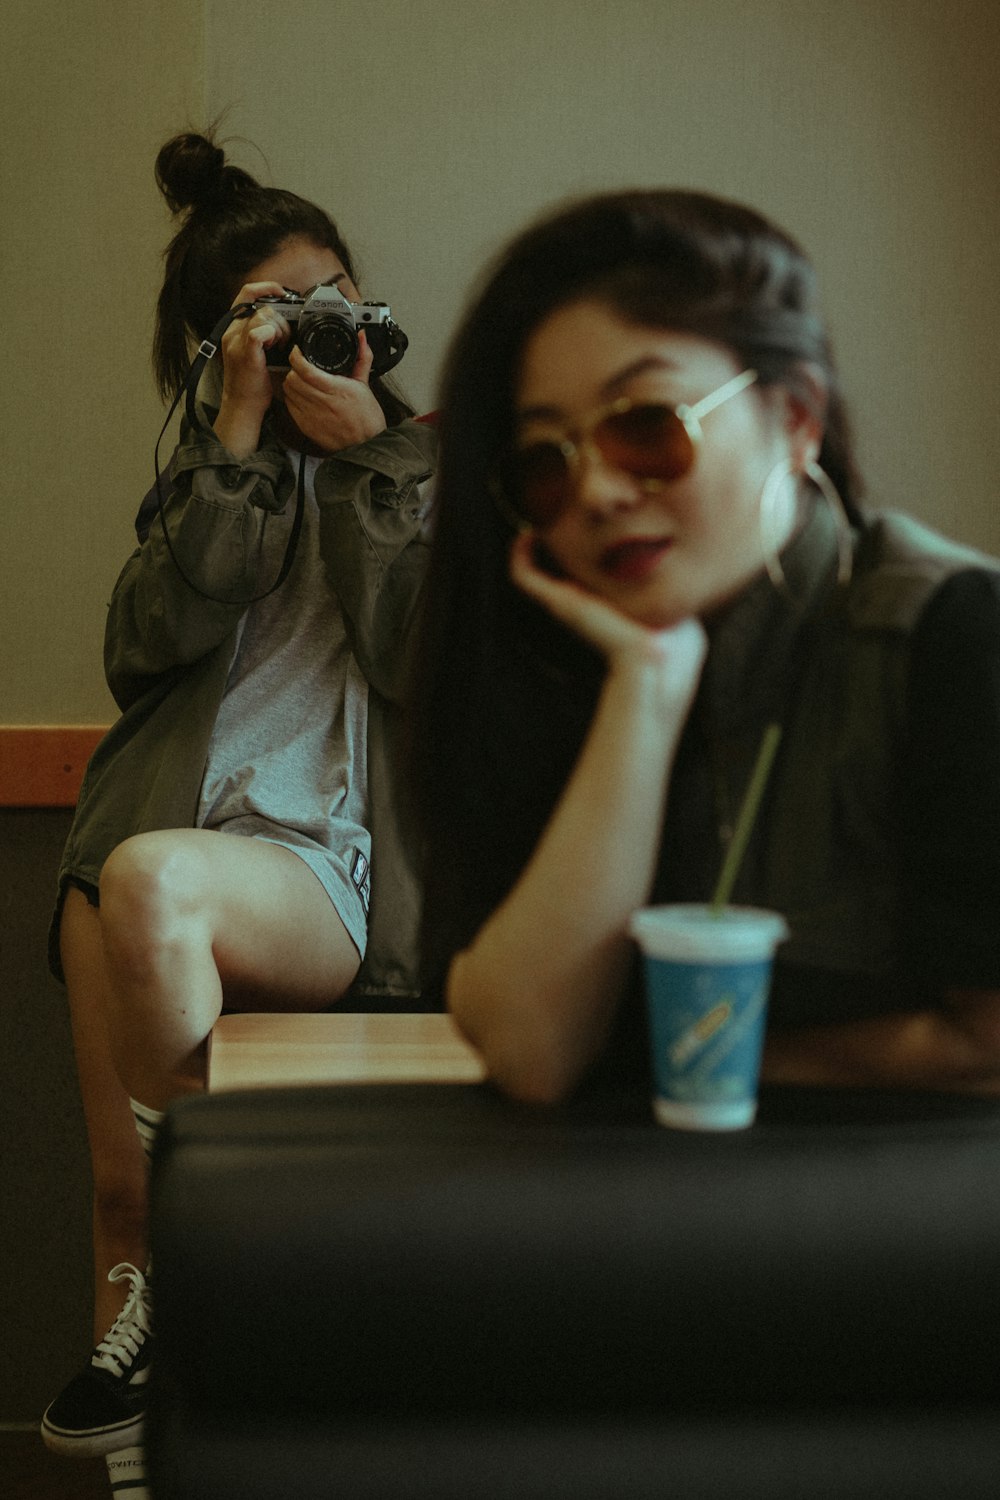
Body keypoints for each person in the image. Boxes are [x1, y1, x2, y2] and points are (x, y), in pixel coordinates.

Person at [409, 188, 1000, 1108]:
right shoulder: (553, 666)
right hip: (630, 1229)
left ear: (796, 415)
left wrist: (671, 1052)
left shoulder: (952, 631)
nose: (598, 492)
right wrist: (645, 690)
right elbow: (534, 1048)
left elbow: (987, 1046)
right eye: (546, 461)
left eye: (644, 423)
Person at [42, 129, 436, 1458]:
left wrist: (373, 455)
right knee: (120, 1204)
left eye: (333, 299)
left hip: (306, 869)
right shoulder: (202, 477)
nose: (316, 330)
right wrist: (236, 440)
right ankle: (146, 1463)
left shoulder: (428, 465)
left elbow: (428, 660)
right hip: (139, 850)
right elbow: (144, 651)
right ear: (217, 345)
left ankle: (239, 1370)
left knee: (194, 1198)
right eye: (277, 317)